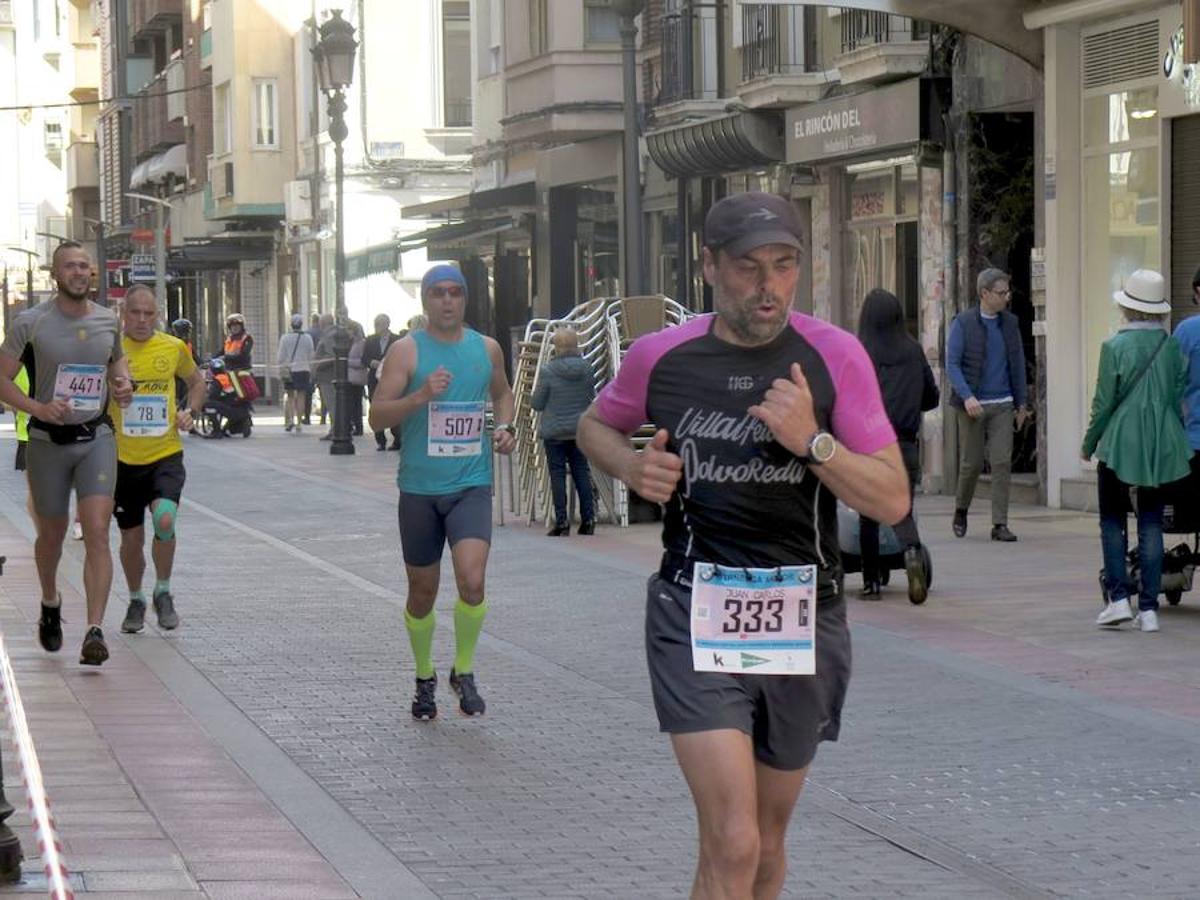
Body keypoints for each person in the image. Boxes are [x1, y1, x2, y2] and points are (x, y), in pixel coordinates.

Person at [576, 192, 909, 899]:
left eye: (784, 266)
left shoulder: (833, 356)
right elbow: (592, 427)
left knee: (765, 844)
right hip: (694, 609)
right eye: (748, 267)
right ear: (708, 266)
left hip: (802, 615)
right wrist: (631, 466)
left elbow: (891, 498)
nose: (768, 286)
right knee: (731, 840)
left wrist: (813, 441)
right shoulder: (660, 357)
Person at [369, 264, 517, 721]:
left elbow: (503, 393)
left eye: (455, 293)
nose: (447, 301)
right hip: (419, 491)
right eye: (438, 293)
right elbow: (376, 417)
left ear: (465, 299)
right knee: (422, 592)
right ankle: (424, 676)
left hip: (470, 485)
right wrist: (419, 398)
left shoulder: (486, 349)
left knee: (472, 580)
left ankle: (464, 670)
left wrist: (507, 426)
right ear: (425, 301)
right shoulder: (406, 352)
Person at [0, 242, 134, 666]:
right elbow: (1, 379)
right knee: (52, 536)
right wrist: (37, 408)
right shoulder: (31, 323)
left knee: (97, 529)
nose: (79, 272)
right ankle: (50, 600)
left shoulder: (107, 321)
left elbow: (117, 365)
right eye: (70, 267)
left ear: (92, 274)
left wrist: (124, 385)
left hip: (96, 438)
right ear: (56, 274)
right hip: (47, 443)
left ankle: (95, 630)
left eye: (85, 267)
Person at [1086, 269, 1191, 633]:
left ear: (1127, 307)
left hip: (1119, 443)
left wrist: (1088, 444)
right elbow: (1177, 396)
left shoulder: (1113, 347)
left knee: (1112, 520)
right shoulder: (1170, 345)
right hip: (1161, 443)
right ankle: (1149, 610)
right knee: (1151, 520)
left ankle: (1118, 600)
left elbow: (1103, 404)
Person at [110, 284, 206, 634]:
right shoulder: (111, 349)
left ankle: (163, 591)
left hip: (164, 453)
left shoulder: (173, 346)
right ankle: (136, 598)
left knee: (165, 519)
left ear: (158, 315)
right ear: (123, 314)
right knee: (131, 539)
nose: (141, 320)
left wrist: (189, 411)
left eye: (148, 314)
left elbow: (197, 382)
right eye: (134, 313)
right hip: (121, 459)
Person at [855, 289, 939, 602]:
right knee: (902, 508)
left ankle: (871, 581)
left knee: (868, 514)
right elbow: (932, 397)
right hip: (905, 445)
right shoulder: (913, 351)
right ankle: (912, 552)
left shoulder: (861, 352)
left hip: (869, 444)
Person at [946, 268, 1029, 542]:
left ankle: (999, 523)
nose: (1006, 297)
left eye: (1007, 292)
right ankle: (961, 509)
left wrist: (1021, 404)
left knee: (1002, 461)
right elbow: (952, 364)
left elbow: (1017, 364)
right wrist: (967, 396)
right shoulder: (963, 323)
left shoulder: (1010, 323)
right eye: (1000, 292)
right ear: (984, 294)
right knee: (970, 463)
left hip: (1002, 403)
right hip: (972, 405)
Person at [530, 327, 597, 536]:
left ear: (556, 347)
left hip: (555, 433)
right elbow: (590, 397)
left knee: (557, 475)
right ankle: (588, 520)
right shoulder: (587, 368)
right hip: (579, 430)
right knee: (581, 473)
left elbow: (538, 403)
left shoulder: (548, 370)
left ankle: (562, 522)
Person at [362, 314, 401, 451]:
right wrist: (371, 362)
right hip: (374, 379)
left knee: (393, 407)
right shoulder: (370, 340)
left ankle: (397, 438)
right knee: (376, 408)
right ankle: (380, 440)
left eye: (379, 324)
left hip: (391, 379)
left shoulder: (397, 340)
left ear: (387, 324)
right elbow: (364, 358)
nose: (377, 327)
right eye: (376, 324)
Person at [277, 314, 314, 433]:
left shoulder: (285, 338)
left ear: (291, 324)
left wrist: (281, 367)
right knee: (301, 396)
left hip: (290, 370)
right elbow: (311, 355)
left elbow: (281, 357)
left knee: (290, 396)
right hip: (303, 369)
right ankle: (299, 423)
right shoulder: (307, 338)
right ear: (301, 324)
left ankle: (290, 420)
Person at [312, 313, 337, 439]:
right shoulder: (331, 334)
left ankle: (335, 430)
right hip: (328, 376)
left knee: (332, 404)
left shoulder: (329, 336)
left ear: (323, 323)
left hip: (328, 376)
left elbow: (331, 355)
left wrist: (317, 365)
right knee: (331, 404)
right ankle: (335, 430)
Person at [304, 312, 323, 425]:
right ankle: (323, 418)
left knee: (308, 392)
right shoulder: (323, 333)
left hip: (311, 365)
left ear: (312, 321)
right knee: (323, 392)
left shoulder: (307, 333)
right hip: (322, 365)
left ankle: (307, 417)